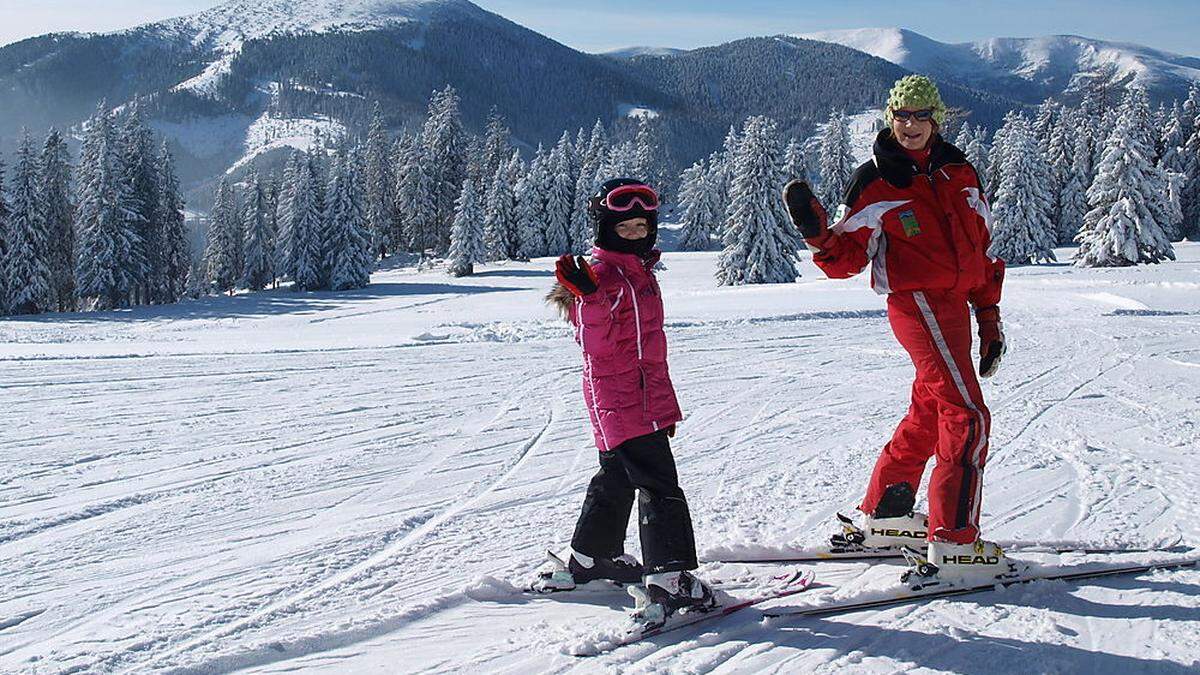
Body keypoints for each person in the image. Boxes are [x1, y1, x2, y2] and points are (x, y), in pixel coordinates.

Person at [782, 75, 1009, 583]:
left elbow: (978, 252)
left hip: (955, 307)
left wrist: (989, 317)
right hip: (917, 303)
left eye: (920, 116)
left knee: (931, 408)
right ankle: (954, 545)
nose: (909, 125)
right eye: (901, 116)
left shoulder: (960, 173)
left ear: (936, 119)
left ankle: (889, 512)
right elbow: (846, 260)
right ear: (890, 118)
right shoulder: (875, 181)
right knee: (966, 413)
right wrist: (818, 234)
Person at [536, 178, 714, 620]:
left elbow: (645, 347)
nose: (634, 233)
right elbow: (593, 341)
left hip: (635, 397)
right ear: (605, 228)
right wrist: (591, 298)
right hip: (621, 399)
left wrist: (661, 405)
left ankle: (591, 557)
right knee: (658, 483)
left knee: (616, 475)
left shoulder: (638, 273)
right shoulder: (600, 277)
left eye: (641, 226)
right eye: (625, 226)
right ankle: (670, 579)